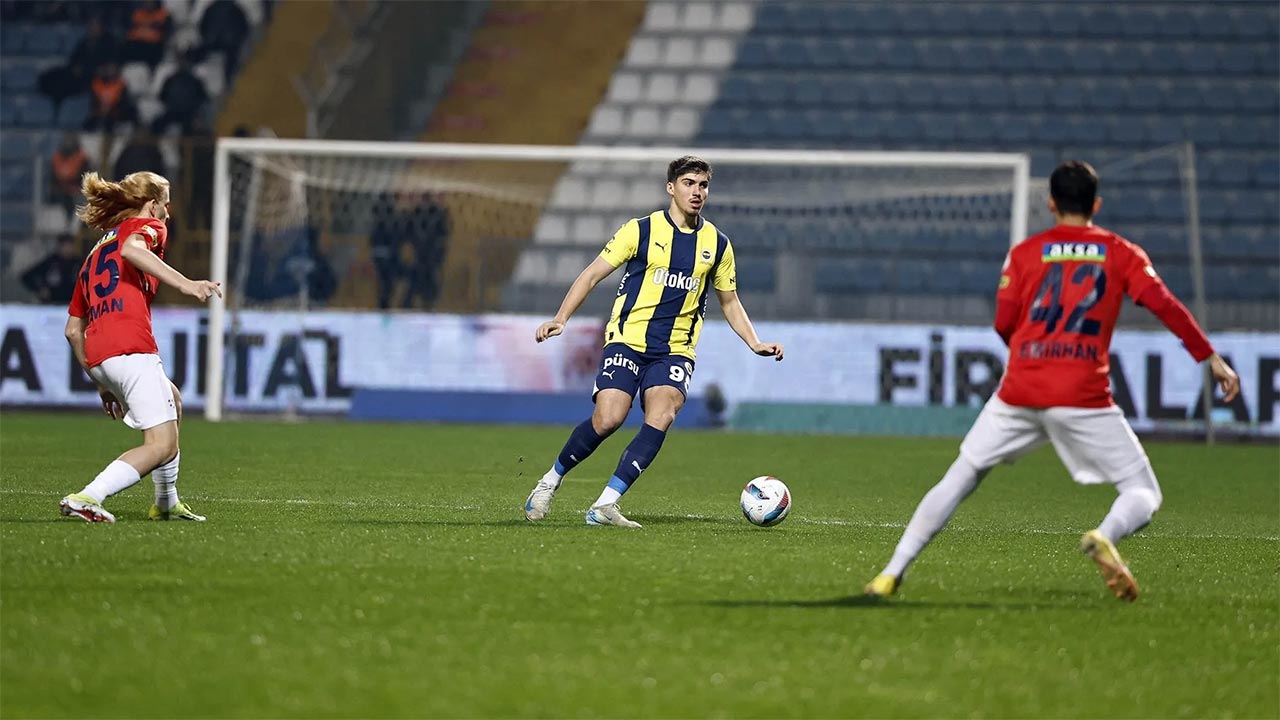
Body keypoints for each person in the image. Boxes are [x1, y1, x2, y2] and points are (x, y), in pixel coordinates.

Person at [864, 161, 1240, 601]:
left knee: (960, 477)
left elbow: (1003, 322)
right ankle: (1104, 535)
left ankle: (891, 572)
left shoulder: (1025, 253)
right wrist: (1210, 357)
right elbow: (1165, 304)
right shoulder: (1121, 253)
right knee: (1142, 491)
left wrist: (1033, 353)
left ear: (1050, 204)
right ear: (1096, 205)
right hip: (1082, 394)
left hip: (1020, 390)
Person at [523, 156, 784, 528]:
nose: (697, 192)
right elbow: (592, 274)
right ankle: (550, 481)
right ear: (671, 188)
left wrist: (754, 342)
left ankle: (606, 504)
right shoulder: (640, 230)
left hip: (675, 349)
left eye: (703, 185)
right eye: (689, 183)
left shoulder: (718, 244)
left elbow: (729, 301)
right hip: (627, 340)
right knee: (609, 419)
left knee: (662, 414)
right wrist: (561, 318)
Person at [59, 171, 223, 524]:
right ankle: (87, 497)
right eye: (165, 204)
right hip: (130, 348)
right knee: (160, 445)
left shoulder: (94, 253)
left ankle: (166, 501)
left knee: (172, 398)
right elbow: (133, 250)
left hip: (100, 357)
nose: (168, 213)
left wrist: (101, 384)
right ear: (151, 205)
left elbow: (73, 331)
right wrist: (187, 284)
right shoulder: (146, 227)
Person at [20, 233, 81, 304]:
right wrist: (40, 289)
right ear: (59, 247)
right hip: (51, 303)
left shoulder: (78, 264)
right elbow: (27, 276)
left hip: (73, 304)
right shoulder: (50, 263)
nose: (67, 249)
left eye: (70, 246)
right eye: (65, 246)